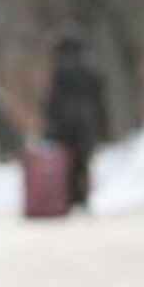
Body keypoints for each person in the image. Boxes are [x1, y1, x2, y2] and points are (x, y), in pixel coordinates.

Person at [41, 26, 109, 207]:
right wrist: (103, 125)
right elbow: (99, 98)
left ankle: (68, 197)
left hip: (64, 123)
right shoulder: (90, 69)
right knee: (83, 162)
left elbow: (54, 99)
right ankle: (83, 197)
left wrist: (49, 122)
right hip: (86, 122)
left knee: (67, 163)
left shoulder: (60, 69)